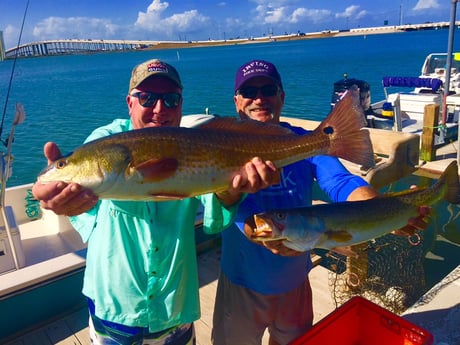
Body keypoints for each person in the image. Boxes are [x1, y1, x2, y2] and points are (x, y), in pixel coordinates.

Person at [31, 58, 279, 345]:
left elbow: (214, 218)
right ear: (130, 102)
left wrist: (233, 190)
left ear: (181, 104)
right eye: (147, 98)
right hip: (114, 308)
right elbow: (66, 190)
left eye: (171, 99)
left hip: (173, 309)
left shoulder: (195, 140)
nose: (160, 109)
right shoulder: (106, 141)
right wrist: (52, 193)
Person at [211, 59, 428, 345]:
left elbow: (341, 181)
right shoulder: (222, 149)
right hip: (241, 285)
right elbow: (232, 206)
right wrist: (257, 234)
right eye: (249, 92)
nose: (259, 98)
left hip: (295, 284)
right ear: (237, 102)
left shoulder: (304, 142)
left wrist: (385, 212)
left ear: (282, 97)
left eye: (268, 89)